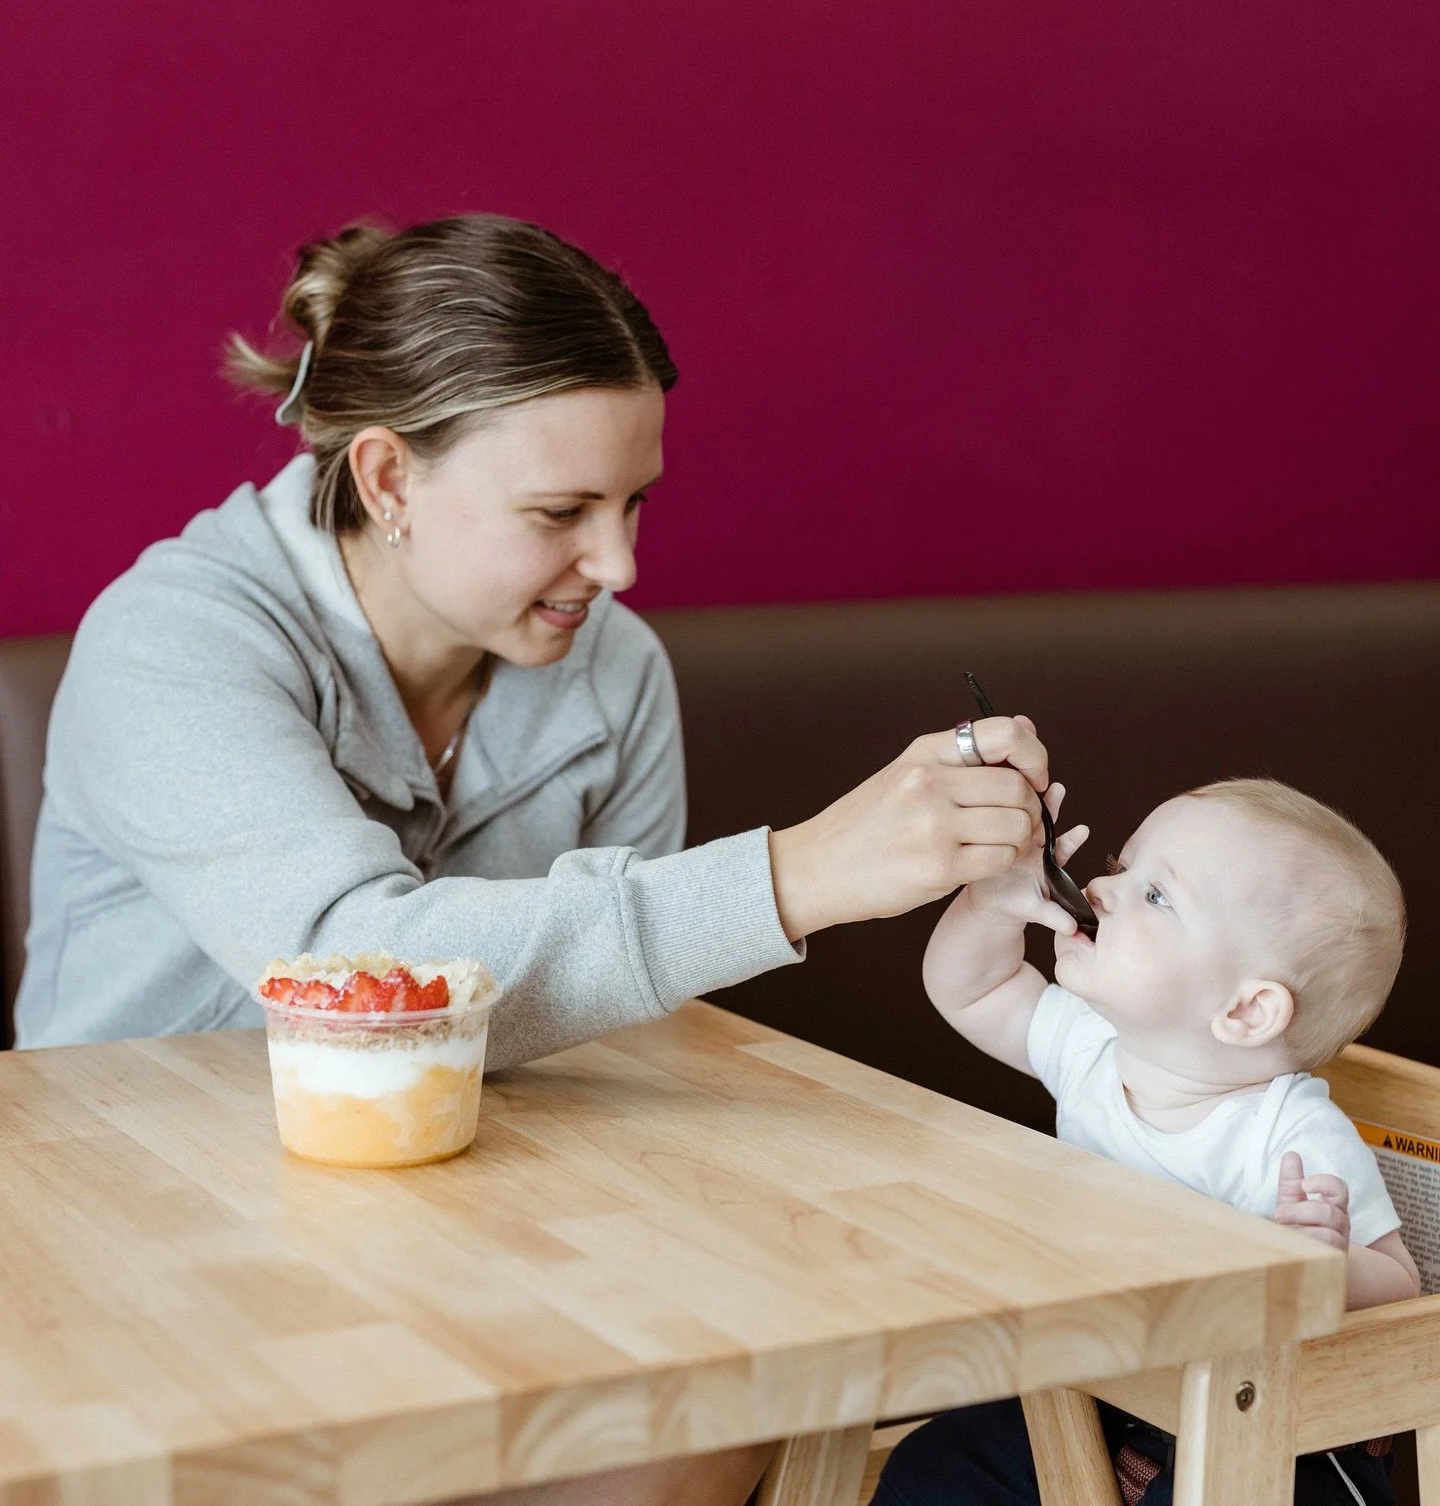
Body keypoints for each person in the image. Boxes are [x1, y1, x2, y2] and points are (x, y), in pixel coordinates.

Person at [18, 213, 1054, 1506]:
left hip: (463, 1242)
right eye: (561, 512)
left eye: (633, 503)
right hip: (138, 1251)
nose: (618, 564)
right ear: (388, 479)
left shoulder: (611, 672)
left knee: (714, 1422)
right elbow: (356, 978)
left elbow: (624, 1038)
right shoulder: (175, 644)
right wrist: (799, 875)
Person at [874, 769, 1418, 1506]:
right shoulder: (1093, 1047)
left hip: (1264, 1429)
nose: (1101, 890)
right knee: (931, 1469)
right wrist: (990, 903)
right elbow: (972, 989)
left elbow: (1400, 1286)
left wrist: (1323, 1265)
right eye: (1119, 867)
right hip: (1094, 1388)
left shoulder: (1290, 1134)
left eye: (1156, 895)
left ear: (1246, 1011)